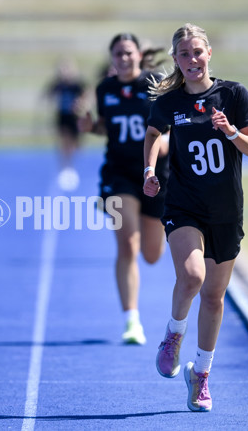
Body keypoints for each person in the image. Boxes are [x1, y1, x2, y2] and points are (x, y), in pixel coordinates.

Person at [143, 23, 248, 412]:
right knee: (192, 276)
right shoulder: (170, 102)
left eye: (197, 52)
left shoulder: (233, 94)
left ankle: (201, 375)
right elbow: (153, 134)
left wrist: (229, 133)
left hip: (226, 211)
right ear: (175, 60)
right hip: (184, 205)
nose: (191, 60)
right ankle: (173, 335)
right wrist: (149, 170)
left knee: (213, 297)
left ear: (208, 53)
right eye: (184, 54)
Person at [78, 33, 169, 344]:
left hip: (155, 174)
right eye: (118, 53)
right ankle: (132, 321)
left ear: (138, 54)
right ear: (112, 57)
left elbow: (170, 125)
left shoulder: (156, 81)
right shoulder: (106, 89)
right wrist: (92, 127)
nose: (124, 58)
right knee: (127, 246)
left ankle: (146, 223)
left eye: (128, 52)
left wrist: (162, 146)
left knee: (153, 255)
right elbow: (107, 125)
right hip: (119, 174)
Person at [44, 57, 87, 191]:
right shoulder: (59, 84)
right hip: (62, 116)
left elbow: (86, 95)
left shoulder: (77, 84)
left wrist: (81, 104)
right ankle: (65, 167)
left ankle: (71, 164)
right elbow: (48, 94)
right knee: (64, 141)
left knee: (75, 143)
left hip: (74, 117)